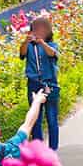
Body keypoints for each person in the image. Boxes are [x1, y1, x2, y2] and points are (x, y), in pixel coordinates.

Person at [18, 14, 60, 149]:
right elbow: (22, 54)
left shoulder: (52, 45)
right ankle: (39, 150)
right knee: (35, 119)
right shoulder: (29, 46)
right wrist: (26, 41)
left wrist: (42, 42)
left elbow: (53, 54)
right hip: (34, 85)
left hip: (50, 85)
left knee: (52, 119)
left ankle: (53, 150)